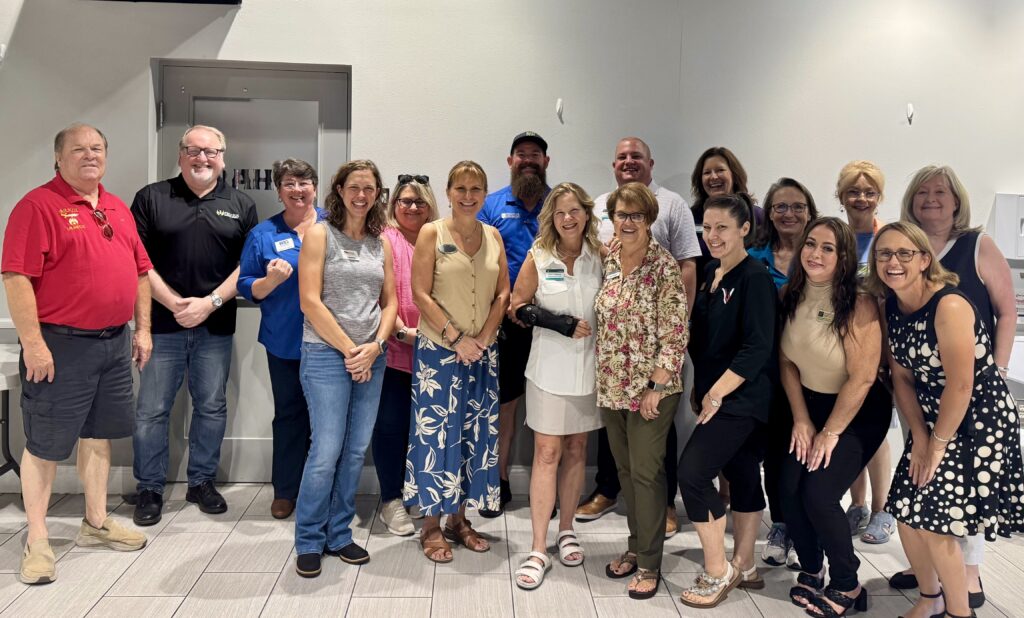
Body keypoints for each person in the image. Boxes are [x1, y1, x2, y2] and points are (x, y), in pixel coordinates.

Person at [2, 123, 150, 584]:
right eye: (79, 149)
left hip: (113, 342)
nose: (90, 155)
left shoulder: (115, 208)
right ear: (58, 158)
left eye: (97, 148)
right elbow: (15, 277)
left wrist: (142, 329)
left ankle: (96, 522)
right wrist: (34, 344)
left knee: (99, 435)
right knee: (45, 444)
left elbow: (141, 272)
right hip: (60, 344)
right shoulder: (37, 206)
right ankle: (38, 540)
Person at [867, 221, 1024, 618]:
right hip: (937, 419)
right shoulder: (893, 305)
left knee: (935, 523)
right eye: (885, 254)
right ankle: (930, 596)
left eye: (905, 253)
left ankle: (959, 611)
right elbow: (901, 377)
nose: (893, 262)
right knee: (904, 512)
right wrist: (919, 436)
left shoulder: (949, 305)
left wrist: (935, 445)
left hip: (979, 422)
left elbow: (961, 386)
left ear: (924, 260)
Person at [130, 125, 258, 525]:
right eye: (194, 151)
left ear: (223, 157)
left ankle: (201, 481)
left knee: (212, 407)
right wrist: (173, 303)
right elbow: (136, 261)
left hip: (214, 327)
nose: (202, 158)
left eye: (211, 152)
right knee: (151, 410)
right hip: (162, 327)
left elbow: (246, 267)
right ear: (181, 154)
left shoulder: (240, 203)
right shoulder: (151, 198)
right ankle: (149, 487)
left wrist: (209, 303)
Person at [578, 137, 701, 539]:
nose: (629, 162)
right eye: (622, 157)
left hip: (655, 342)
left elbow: (686, 264)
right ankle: (610, 492)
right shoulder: (598, 205)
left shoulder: (673, 205)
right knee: (617, 441)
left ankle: (662, 508)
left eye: (636, 157)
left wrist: (675, 326)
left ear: (651, 162)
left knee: (653, 441)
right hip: (615, 352)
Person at [777, 218, 890, 617]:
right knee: (788, 489)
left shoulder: (858, 302)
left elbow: (861, 379)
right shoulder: (791, 294)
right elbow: (787, 362)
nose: (816, 254)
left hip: (858, 412)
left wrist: (829, 432)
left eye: (828, 248)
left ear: (844, 257)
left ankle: (849, 585)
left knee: (820, 495)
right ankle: (811, 570)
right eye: (811, 244)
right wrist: (802, 420)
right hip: (812, 405)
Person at [293, 159, 397, 577]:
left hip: (371, 357)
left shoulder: (381, 242)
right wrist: (352, 350)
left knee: (355, 450)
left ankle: (339, 533)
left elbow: (389, 303)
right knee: (326, 450)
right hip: (325, 355)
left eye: (369, 189)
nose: (361, 195)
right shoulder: (319, 235)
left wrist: (374, 347)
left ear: (377, 194)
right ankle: (309, 539)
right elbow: (309, 302)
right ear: (338, 190)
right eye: (354, 187)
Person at [404, 161, 509, 563]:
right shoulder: (433, 232)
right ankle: (430, 526)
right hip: (439, 356)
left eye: (476, 188)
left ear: (485, 193)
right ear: (448, 192)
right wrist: (457, 338)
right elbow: (419, 293)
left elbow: (503, 294)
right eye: (461, 188)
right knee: (436, 438)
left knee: (471, 436)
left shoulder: (494, 235)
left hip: (482, 354)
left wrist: (482, 339)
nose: (468, 196)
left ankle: (458, 520)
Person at [677, 193, 774, 609]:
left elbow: (757, 347)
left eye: (722, 228)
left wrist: (716, 393)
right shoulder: (712, 272)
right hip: (716, 393)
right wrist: (702, 388)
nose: (712, 236)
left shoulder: (754, 277)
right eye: (707, 228)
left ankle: (718, 570)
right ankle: (747, 564)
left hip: (742, 397)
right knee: (743, 472)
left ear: (744, 229)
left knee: (693, 474)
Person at [510, 183, 605, 590]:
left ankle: (567, 529)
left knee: (577, 450)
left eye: (575, 211)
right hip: (548, 369)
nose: (568, 218)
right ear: (552, 217)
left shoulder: (602, 257)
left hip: (589, 370)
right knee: (546, 452)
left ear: (586, 214)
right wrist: (560, 323)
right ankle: (537, 547)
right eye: (560, 212)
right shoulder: (539, 255)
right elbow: (517, 306)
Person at [597, 182, 688, 600]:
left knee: (649, 474)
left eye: (636, 215)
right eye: (621, 214)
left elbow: (675, 333)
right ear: (611, 218)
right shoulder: (609, 258)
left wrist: (655, 386)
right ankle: (635, 547)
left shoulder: (664, 265)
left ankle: (650, 562)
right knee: (626, 472)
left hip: (652, 389)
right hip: (612, 385)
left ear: (649, 219)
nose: (628, 222)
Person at [238, 158, 324, 519]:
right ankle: (286, 489)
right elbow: (246, 285)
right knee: (289, 416)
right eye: (289, 183)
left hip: (330, 342)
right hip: (285, 342)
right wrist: (269, 282)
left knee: (328, 419)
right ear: (279, 191)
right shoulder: (264, 234)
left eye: (304, 182)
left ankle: (323, 491)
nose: (297, 189)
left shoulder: (333, 227)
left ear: (315, 188)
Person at [477, 131, 550, 516]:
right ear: (510, 162)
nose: (527, 160)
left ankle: (545, 488)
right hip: (505, 322)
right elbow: (481, 263)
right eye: (520, 155)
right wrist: (505, 306)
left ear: (545, 162)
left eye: (534, 155)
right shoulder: (489, 207)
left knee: (547, 408)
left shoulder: (561, 205)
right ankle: (497, 481)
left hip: (552, 325)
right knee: (504, 407)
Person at [749, 177, 819, 569]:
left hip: (815, 373)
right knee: (776, 455)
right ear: (769, 213)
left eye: (797, 206)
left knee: (809, 457)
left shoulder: (822, 255)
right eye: (780, 207)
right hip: (770, 374)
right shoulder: (754, 255)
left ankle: (804, 528)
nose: (789, 214)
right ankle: (781, 525)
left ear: (809, 212)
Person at [835, 160, 897, 544]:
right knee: (849, 428)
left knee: (877, 429)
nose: (861, 198)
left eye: (868, 192)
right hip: (840, 348)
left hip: (881, 346)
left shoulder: (888, 237)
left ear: (879, 197)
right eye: (853, 191)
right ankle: (856, 504)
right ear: (841, 196)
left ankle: (882, 508)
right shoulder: (835, 236)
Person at [372, 174, 438, 536]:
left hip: (433, 354)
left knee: (424, 430)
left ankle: (416, 491)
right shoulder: (384, 238)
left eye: (419, 202)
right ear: (393, 203)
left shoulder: (439, 237)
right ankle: (390, 500)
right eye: (405, 201)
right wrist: (400, 330)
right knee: (390, 427)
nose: (412, 207)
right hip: (395, 349)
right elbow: (383, 290)